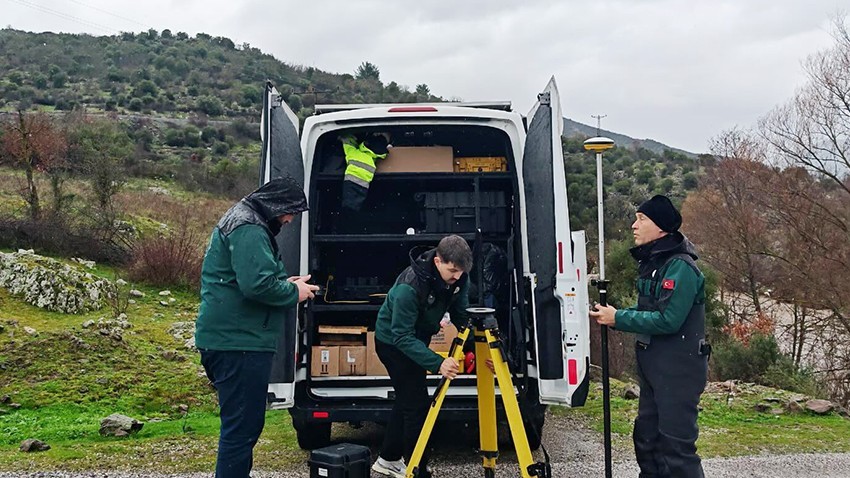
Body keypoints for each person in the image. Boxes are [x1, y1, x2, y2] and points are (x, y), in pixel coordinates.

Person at [195, 176, 319, 478]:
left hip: (236, 341)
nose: (290, 220)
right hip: (238, 345)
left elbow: (249, 280)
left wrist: (285, 283)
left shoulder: (245, 220)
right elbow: (256, 286)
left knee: (243, 426)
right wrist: (294, 293)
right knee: (241, 429)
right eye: (290, 212)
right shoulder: (249, 227)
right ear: (276, 205)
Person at [589, 194, 709, 478]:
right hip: (655, 371)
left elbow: (669, 320)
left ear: (661, 228)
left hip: (679, 371)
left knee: (676, 449)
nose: (634, 225)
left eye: (641, 219)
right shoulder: (656, 263)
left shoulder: (681, 267)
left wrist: (618, 318)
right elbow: (650, 310)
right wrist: (613, 314)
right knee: (647, 440)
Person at [371, 235, 473, 478]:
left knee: (408, 399)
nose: (456, 277)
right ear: (438, 261)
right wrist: (439, 363)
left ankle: (388, 459)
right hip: (393, 344)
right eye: (452, 271)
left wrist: (473, 345)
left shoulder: (460, 277)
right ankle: (417, 468)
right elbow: (402, 337)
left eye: (461, 272)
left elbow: (461, 314)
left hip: (417, 338)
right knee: (417, 407)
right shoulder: (410, 286)